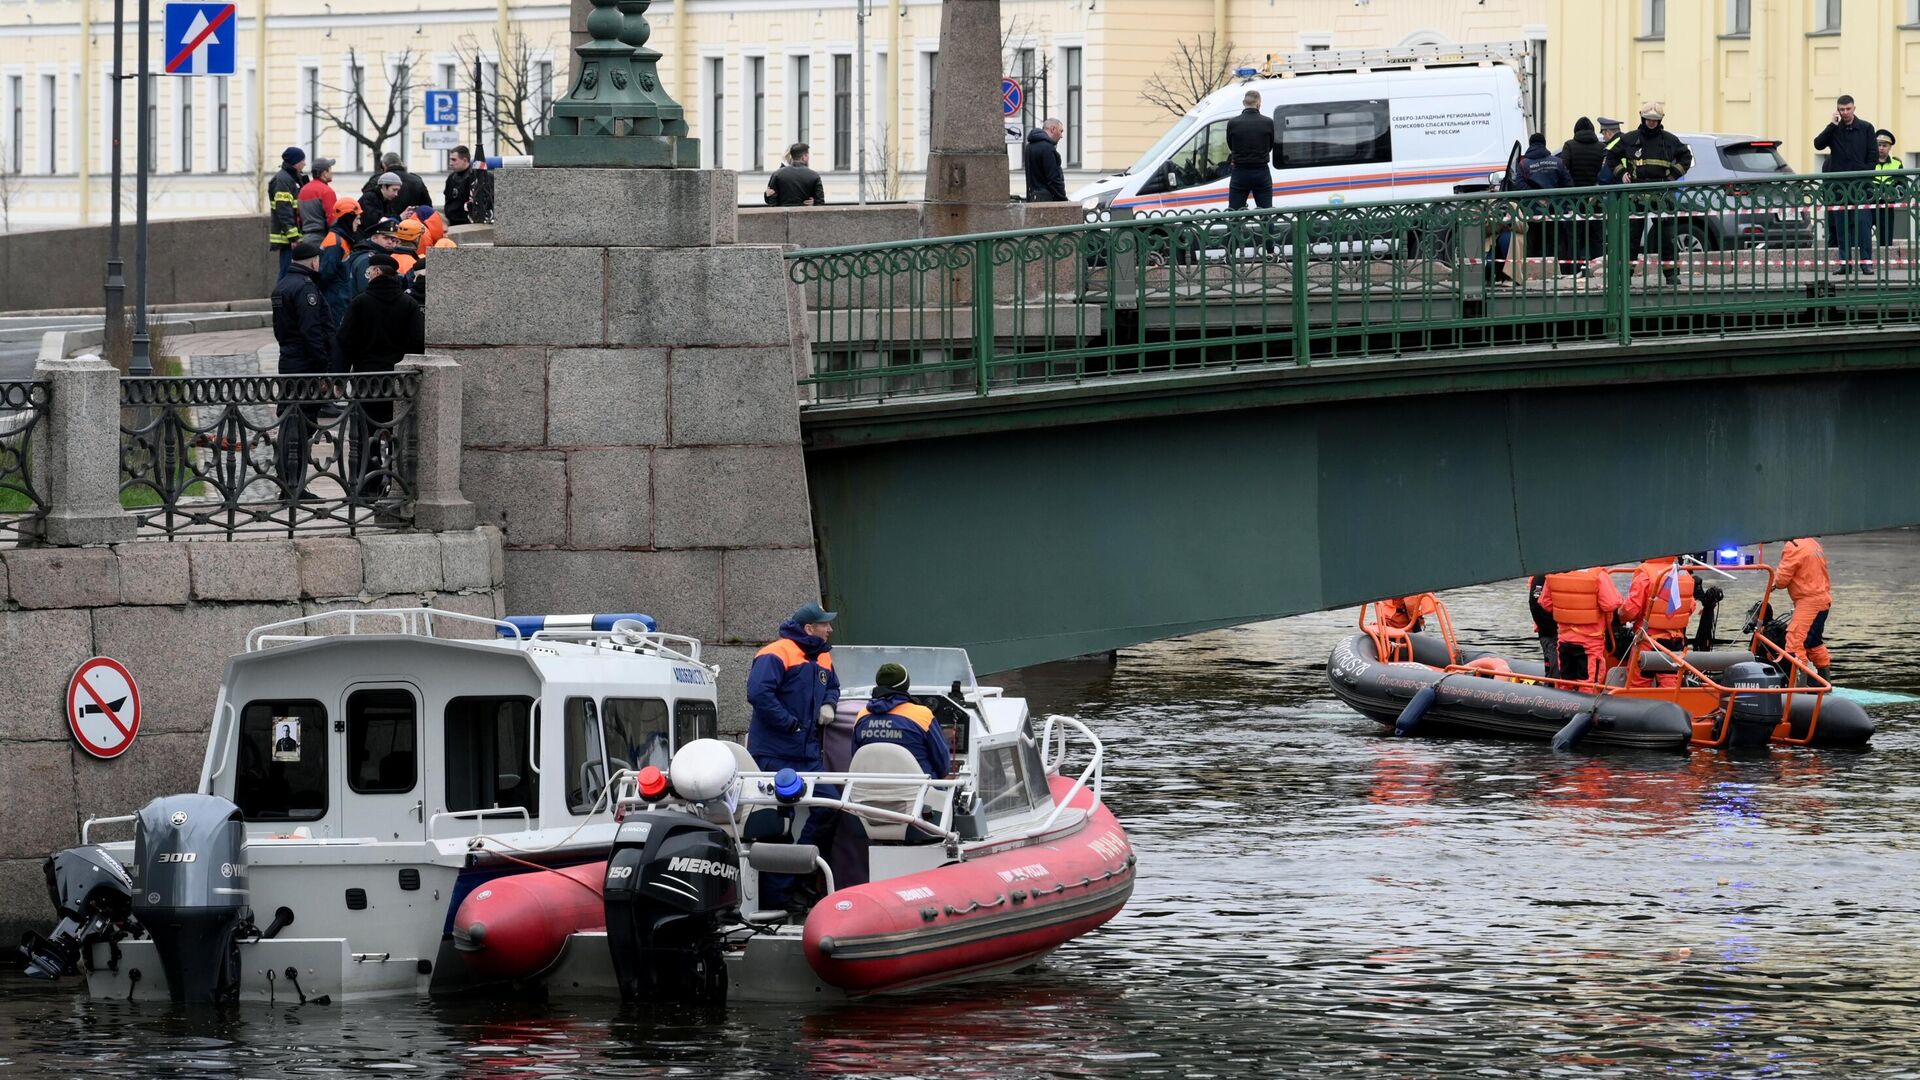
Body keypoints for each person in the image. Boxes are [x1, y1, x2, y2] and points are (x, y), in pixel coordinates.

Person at [746, 603, 843, 912]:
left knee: (831, 807)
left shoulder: (823, 655)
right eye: (824, 624)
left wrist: (829, 705)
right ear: (808, 629)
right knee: (777, 824)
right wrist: (791, 723)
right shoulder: (775, 653)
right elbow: (759, 694)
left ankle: (799, 871)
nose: (829, 629)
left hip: (807, 754)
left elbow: (834, 687)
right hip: (775, 754)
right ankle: (778, 895)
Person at [335, 251, 424, 498]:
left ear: (375, 272)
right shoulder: (408, 304)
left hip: (367, 379)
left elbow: (345, 342)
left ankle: (368, 487)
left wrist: (339, 379)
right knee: (400, 433)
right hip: (398, 381)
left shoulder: (361, 303)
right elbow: (417, 343)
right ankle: (399, 485)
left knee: (366, 434)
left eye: (368, 272)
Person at [269, 239, 337, 493]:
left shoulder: (282, 285)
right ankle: (293, 484)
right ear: (313, 261)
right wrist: (323, 368)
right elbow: (313, 331)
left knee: (290, 416)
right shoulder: (305, 289)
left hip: (288, 359)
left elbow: (280, 330)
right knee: (302, 420)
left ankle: (289, 481)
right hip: (305, 364)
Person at [1605, 102, 1691, 284]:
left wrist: (1673, 175)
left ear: (1660, 120)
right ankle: (1624, 276)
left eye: (1655, 120)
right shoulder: (1629, 139)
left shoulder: (1670, 140)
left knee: (1666, 237)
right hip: (1635, 194)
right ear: (1642, 118)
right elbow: (1611, 157)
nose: (1652, 123)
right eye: (1649, 120)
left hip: (1662, 193)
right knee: (1631, 237)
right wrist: (1622, 173)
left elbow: (1686, 157)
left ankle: (1671, 275)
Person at [853, 663, 951, 781]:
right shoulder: (922, 716)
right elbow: (942, 763)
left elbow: (855, 756)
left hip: (869, 791)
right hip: (918, 792)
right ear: (905, 685)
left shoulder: (862, 715)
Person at [1815, 94, 1878, 275]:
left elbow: (1872, 155)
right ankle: (1845, 264)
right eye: (1841, 110)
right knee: (1841, 226)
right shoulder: (1834, 129)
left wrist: (1864, 175)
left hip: (1860, 186)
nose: (1845, 113)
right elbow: (1818, 144)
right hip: (1839, 188)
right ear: (1838, 110)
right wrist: (1832, 125)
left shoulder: (1866, 128)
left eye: (1848, 109)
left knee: (1863, 225)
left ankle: (1866, 263)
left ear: (1854, 108)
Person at [1619, 556, 1699, 688]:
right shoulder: (1683, 574)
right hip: (1675, 642)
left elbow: (1632, 609)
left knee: (1638, 684)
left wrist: (1619, 616)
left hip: (1647, 641)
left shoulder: (1645, 575)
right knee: (1671, 685)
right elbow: (1690, 606)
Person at [1539, 566, 1625, 683]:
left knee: (1566, 682)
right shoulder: (1598, 575)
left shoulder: (1555, 572)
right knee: (1588, 684)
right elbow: (1610, 604)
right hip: (1589, 644)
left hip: (1564, 640)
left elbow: (1545, 603)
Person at [1774, 537, 1833, 679]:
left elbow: (1782, 580)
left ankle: (1799, 686)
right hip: (1823, 600)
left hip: (1808, 602)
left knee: (1794, 643)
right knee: (1813, 643)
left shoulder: (1793, 546)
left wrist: (1775, 583)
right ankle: (1823, 680)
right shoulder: (1812, 542)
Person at [1558, 117, 1608, 276]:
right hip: (1596, 200)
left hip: (1574, 200)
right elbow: (1605, 171)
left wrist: (1571, 187)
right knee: (1597, 238)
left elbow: (1563, 168)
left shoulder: (1569, 146)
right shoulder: (1601, 147)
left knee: (1574, 238)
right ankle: (1597, 270)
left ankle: (1575, 271)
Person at [1225, 90, 1276, 212]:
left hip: (1240, 172)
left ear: (1244, 103)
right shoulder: (1268, 122)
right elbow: (1270, 146)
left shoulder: (1233, 123)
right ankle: (1268, 230)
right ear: (1259, 104)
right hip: (1261, 171)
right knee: (1266, 213)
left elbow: (1231, 145)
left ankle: (1234, 230)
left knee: (1234, 214)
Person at [316, 196, 360, 332]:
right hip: (335, 301)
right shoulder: (336, 242)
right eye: (357, 218)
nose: (359, 222)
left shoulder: (341, 239)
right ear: (348, 218)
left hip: (338, 298)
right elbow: (325, 274)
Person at [268, 147, 308, 275]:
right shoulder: (282, 180)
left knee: (293, 272)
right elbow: (284, 210)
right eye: (302, 160)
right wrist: (293, 238)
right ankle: (281, 295)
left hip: (292, 235)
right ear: (295, 162)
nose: (304, 163)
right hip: (287, 238)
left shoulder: (293, 177)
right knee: (287, 273)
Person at [360, 151, 431, 211]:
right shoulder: (416, 180)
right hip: (411, 224)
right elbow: (427, 206)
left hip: (384, 224)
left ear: (384, 165)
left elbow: (366, 203)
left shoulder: (377, 180)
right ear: (401, 163)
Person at [764, 142, 827, 207]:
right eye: (808, 155)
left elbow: (771, 200)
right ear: (804, 157)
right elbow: (820, 203)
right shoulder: (814, 175)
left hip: (783, 214)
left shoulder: (777, 174)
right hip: (805, 215)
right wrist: (815, 203)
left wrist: (766, 195)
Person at [1023, 118, 1067, 202]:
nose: (1061, 136)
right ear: (1053, 129)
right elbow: (1053, 179)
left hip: (1033, 198)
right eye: (1061, 131)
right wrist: (1063, 199)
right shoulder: (1048, 148)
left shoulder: (1029, 147)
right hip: (1049, 200)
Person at [295, 158, 338, 244]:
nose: (332, 172)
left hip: (305, 238)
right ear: (324, 173)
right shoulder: (327, 191)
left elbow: (298, 218)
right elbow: (333, 220)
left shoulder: (303, 190)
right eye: (330, 169)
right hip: (322, 240)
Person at [1527, 575, 1560, 678]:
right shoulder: (1540, 578)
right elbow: (1535, 602)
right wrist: (1552, 630)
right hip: (1551, 634)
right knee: (1554, 673)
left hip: (1564, 633)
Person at [1873, 129, 1901, 251]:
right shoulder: (1869, 162)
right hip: (1869, 203)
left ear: (1890, 147)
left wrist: (1892, 194)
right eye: (1879, 145)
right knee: (1861, 235)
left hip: (1887, 205)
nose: (1881, 148)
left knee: (1886, 236)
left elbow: (1901, 185)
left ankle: (1885, 261)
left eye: (1885, 145)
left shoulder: (1897, 163)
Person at [358, 172, 406, 239]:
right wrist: (399, 217)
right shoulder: (369, 197)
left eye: (397, 191)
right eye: (394, 190)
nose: (396, 194)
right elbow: (375, 221)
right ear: (383, 187)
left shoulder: (386, 200)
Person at [443, 146, 479, 226]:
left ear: (464, 160)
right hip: (451, 222)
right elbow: (447, 199)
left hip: (467, 224)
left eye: (454, 160)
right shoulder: (451, 177)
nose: (450, 163)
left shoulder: (473, 178)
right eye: (450, 159)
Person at [1594, 118, 1625, 186]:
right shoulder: (1627, 141)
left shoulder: (1611, 148)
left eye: (1603, 134)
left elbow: (1605, 177)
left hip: (1616, 190)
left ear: (1608, 132)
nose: (1604, 138)